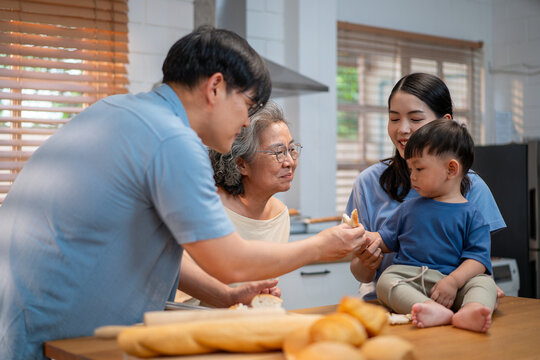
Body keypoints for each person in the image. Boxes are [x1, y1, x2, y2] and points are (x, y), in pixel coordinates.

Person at [0, 26, 366, 359]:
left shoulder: (117, 110)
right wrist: (321, 246)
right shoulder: (173, 140)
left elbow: (147, 244)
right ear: (215, 87)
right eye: (247, 106)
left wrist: (225, 296)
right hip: (57, 329)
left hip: (25, 313)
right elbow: (229, 261)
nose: (244, 123)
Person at [346, 73, 506, 301]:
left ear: (445, 122)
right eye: (394, 119)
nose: (403, 129)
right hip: (395, 302)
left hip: (451, 298)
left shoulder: (473, 187)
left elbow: (478, 259)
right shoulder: (368, 182)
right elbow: (361, 274)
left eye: (415, 118)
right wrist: (366, 261)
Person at [374, 119, 497, 333]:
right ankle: (430, 309)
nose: (412, 176)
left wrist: (453, 281)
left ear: (451, 169)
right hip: (413, 280)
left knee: (484, 283)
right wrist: (365, 241)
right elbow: (383, 241)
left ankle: (472, 310)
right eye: (410, 168)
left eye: (419, 168)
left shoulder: (473, 215)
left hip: (454, 286)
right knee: (386, 280)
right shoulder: (408, 208)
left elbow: (477, 259)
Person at [179, 100, 297, 305]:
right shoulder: (207, 208)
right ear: (241, 164)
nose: (290, 162)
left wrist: (262, 295)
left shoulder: (280, 215)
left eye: (292, 149)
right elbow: (183, 292)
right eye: (278, 152)